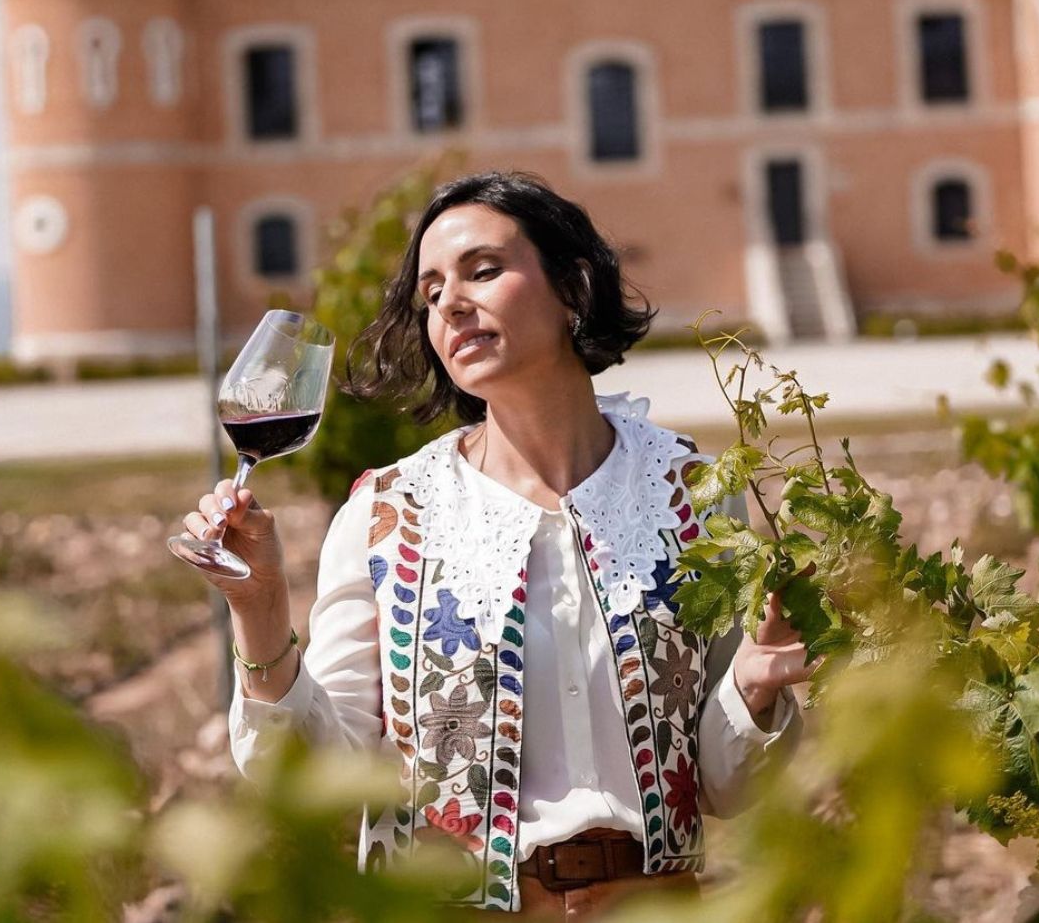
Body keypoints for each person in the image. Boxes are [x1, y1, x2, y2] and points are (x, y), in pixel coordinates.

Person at [183, 171, 812, 918]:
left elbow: (728, 786)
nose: (450, 301)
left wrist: (756, 682)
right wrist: (258, 607)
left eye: (483, 270)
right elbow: (319, 776)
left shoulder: (692, 493)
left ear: (573, 288)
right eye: (431, 291)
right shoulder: (389, 514)